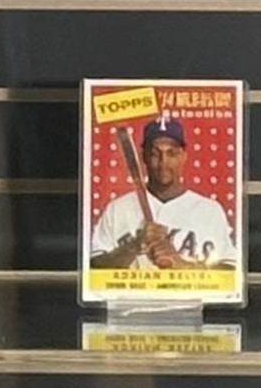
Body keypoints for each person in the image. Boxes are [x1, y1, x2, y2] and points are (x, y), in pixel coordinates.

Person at [88, 116, 235, 273]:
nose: (163, 162)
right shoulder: (117, 209)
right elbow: (94, 268)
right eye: (155, 153)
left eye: (171, 153)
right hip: (131, 297)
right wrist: (135, 245)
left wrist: (181, 265)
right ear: (144, 156)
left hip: (186, 298)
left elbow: (230, 272)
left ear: (183, 156)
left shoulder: (210, 210)